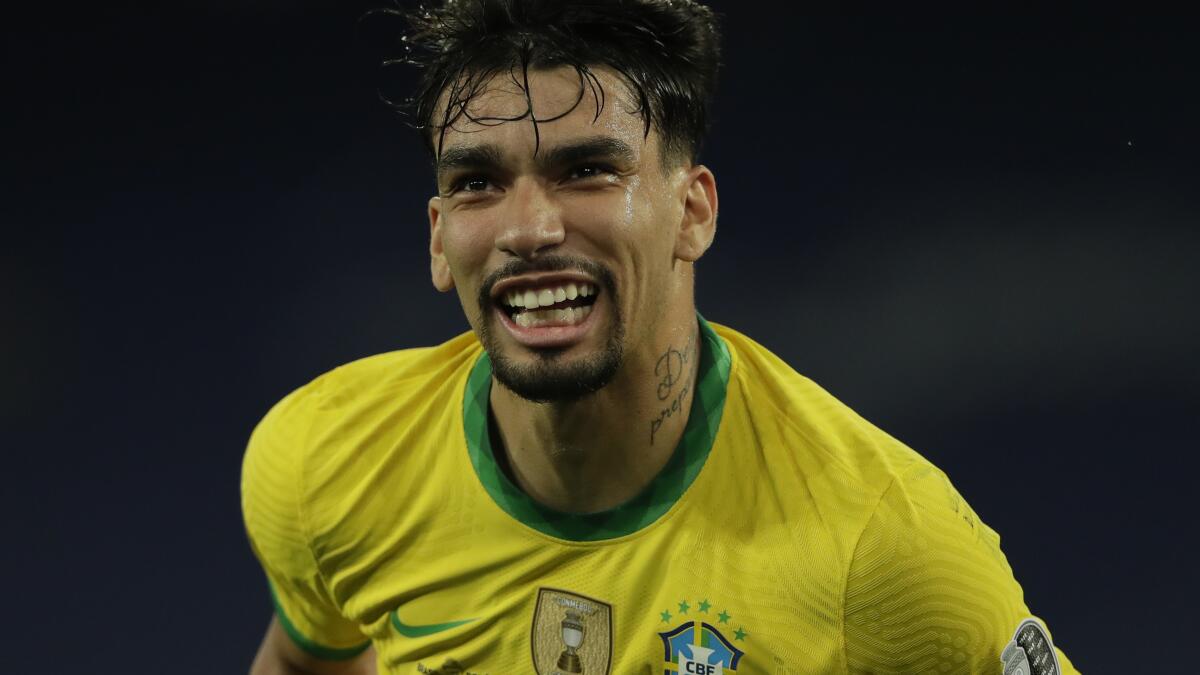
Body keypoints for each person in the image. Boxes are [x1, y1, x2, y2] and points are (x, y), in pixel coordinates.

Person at [241, 1, 1078, 673]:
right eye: (477, 182)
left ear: (693, 211)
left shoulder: (887, 553)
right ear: (436, 237)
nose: (529, 228)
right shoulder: (328, 460)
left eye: (587, 170)